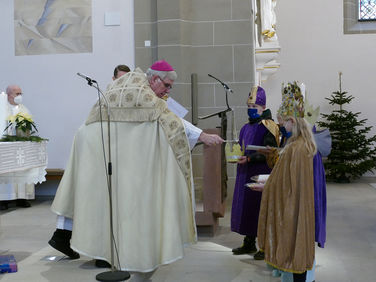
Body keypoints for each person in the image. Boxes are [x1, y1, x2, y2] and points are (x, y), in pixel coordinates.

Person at [48, 61, 223, 276]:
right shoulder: (148, 98)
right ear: (154, 79)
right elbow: (175, 125)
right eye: (167, 86)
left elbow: (89, 124)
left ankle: (111, 254)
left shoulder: (119, 92)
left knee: (112, 212)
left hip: (122, 170)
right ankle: (120, 257)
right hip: (124, 170)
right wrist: (202, 136)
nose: (168, 91)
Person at [254, 82, 317, 282]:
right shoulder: (305, 146)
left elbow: (283, 182)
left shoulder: (293, 148)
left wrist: (267, 186)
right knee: (300, 249)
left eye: (284, 122)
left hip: (292, 207)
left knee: (292, 247)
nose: (282, 125)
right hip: (302, 206)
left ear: (292, 121)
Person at [230, 86, 279, 260]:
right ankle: (249, 243)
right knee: (248, 209)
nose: (251, 110)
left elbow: (271, 151)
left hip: (261, 171)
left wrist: (250, 159)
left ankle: (265, 247)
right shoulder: (246, 127)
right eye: (249, 107)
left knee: (261, 209)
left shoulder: (269, 126)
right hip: (246, 170)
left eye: (254, 108)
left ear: (263, 108)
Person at [0, 85, 34, 210]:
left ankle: (22, 197)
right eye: (17, 93)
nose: (20, 96)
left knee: (22, 169)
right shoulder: (2, 108)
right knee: (6, 170)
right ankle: (4, 198)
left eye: (21, 93)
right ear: (9, 95)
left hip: (20, 146)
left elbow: (28, 124)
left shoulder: (23, 109)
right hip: (6, 146)